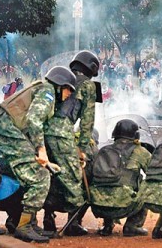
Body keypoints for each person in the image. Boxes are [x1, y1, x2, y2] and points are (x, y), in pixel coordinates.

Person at [0, 66, 76, 243]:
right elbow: (34, 121)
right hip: (10, 133)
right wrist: (41, 151)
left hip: (8, 132)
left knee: (29, 175)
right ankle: (24, 226)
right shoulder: (48, 91)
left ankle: (26, 222)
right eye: (68, 90)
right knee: (40, 176)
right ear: (60, 85)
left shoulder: (41, 88)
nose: (68, 95)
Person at [42, 50, 99, 236]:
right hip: (62, 134)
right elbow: (87, 120)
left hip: (44, 132)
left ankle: (47, 217)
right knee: (75, 177)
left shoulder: (61, 79)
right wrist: (82, 148)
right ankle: (73, 223)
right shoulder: (88, 86)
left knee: (50, 174)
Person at [91, 119, 151, 237]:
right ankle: (132, 225)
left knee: (107, 186)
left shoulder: (104, 150)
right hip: (123, 207)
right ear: (135, 135)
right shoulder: (140, 151)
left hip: (98, 206)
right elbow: (153, 173)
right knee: (147, 186)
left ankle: (107, 225)